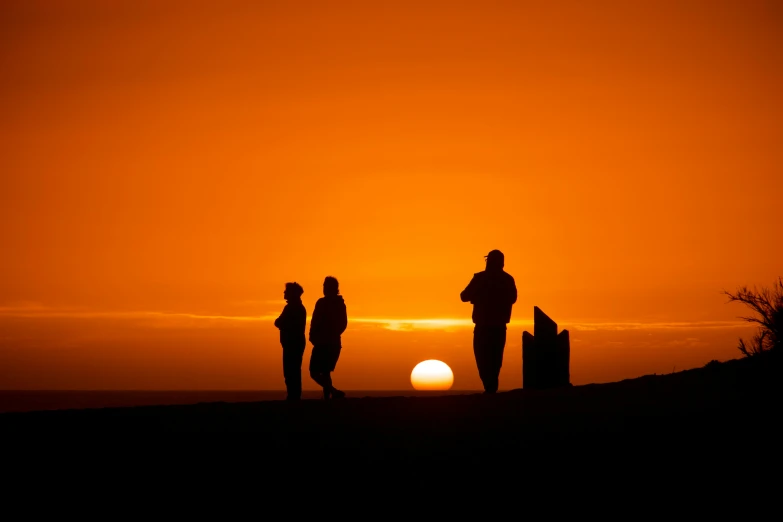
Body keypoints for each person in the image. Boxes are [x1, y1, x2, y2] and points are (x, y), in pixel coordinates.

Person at [460, 250, 517, 393]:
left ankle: (490, 390)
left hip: (486, 327)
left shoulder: (481, 278)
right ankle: (490, 390)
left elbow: (464, 296)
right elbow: (464, 296)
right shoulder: (506, 279)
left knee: (486, 360)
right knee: (493, 360)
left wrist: (482, 295)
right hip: (494, 327)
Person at [308, 276, 348, 399]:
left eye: (326, 286)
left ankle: (332, 392)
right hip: (325, 342)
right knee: (324, 372)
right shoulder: (322, 303)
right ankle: (329, 395)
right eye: (324, 286)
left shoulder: (337, 304)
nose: (324, 289)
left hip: (328, 343)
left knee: (316, 372)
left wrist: (329, 334)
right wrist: (313, 335)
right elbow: (314, 322)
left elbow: (343, 324)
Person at [274, 282, 307, 401]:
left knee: (291, 370)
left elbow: (279, 322)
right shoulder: (294, 307)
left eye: (286, 291)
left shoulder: (293, 308)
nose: (284, 293)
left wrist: (282, 324)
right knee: (293, 370)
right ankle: (294, 394)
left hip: (293, 343)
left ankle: (293, 396)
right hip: (293, 343)